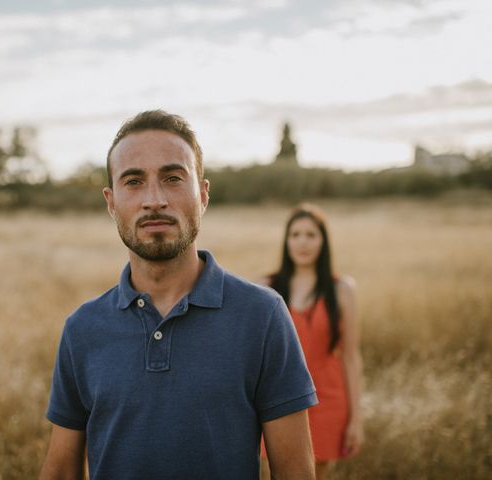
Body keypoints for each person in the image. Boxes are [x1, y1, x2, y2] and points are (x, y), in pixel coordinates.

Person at [39, 110, 318, 480]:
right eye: (134, 181)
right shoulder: (82, 329)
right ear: (111, 202)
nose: (154, 199)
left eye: (172, 178)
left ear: (202, 194)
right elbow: (60, 470)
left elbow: (296, 473)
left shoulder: (262, 316)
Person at [260, 204, 364, 480]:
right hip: (278, 403)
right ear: (286, 240)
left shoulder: (343, 291)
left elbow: (351, 357)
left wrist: (356, 419)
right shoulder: (266, 288)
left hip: (328, 402)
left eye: (311, 234)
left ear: (323, 241)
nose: (302, 242)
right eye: (295, 234)